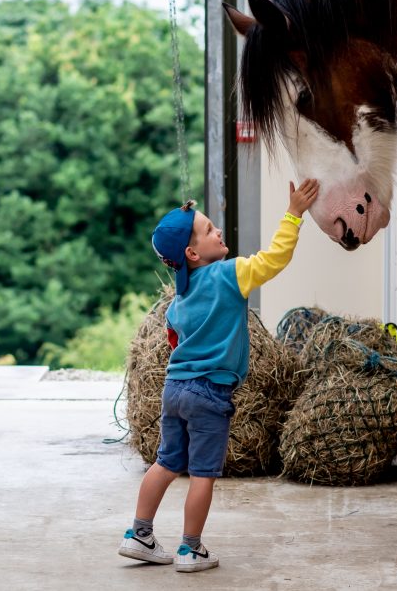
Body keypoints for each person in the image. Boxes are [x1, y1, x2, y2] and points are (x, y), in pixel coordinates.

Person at [118, 178, 320, 573]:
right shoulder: (230, 275)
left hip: (174, 389)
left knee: (166, 463)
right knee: (204, 474)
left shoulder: (179, 299)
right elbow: (274, 259)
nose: (219, 231)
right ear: (192, 252)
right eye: (210, 230)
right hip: (210, 394)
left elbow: (174, 339)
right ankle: (190, 548)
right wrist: (294, 214)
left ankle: (139, 534)